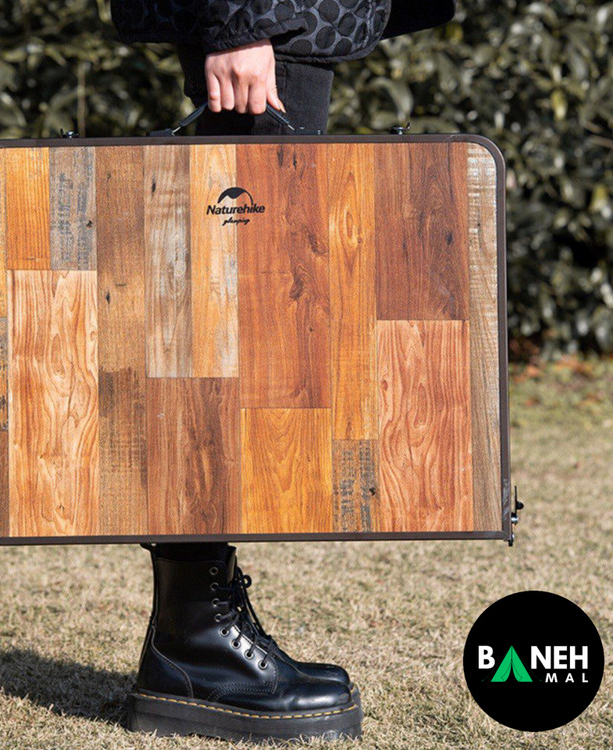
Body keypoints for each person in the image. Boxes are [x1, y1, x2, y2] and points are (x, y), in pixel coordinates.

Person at [109, 0, 457, 741]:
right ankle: (194, 641)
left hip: (295, 16)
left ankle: (192, 630)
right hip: (271, 15)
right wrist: (239, 21)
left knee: (234, 330)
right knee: (223, 337)